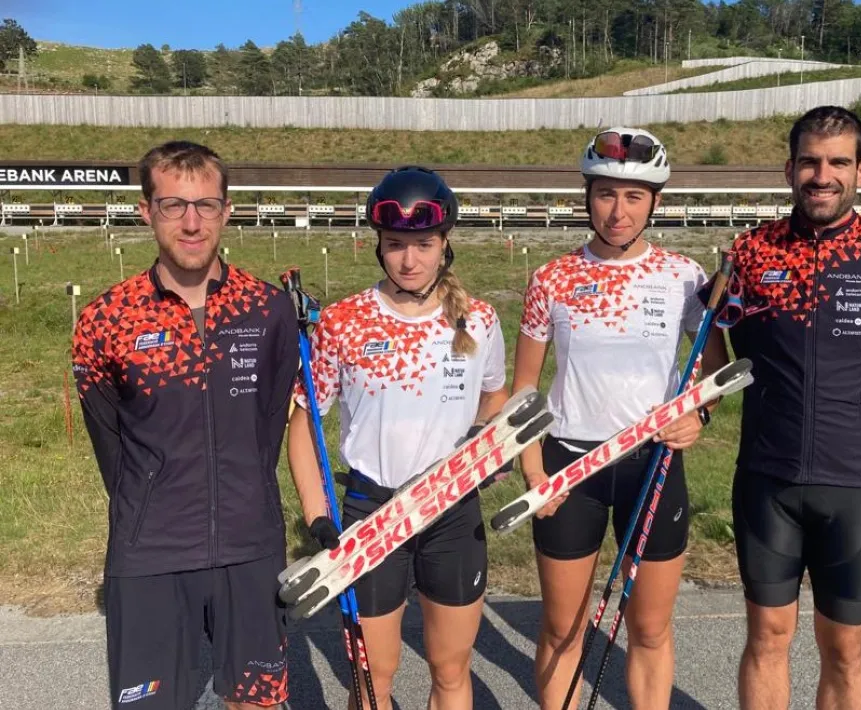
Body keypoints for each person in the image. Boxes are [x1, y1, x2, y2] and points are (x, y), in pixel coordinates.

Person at [720, 105, 861, 710]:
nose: (823, 175)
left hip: (854, 487)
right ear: (789, 169)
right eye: (810, 162)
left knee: (844, 650)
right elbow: (718, 349)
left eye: (838, 162)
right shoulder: (749, 253)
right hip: (767, 481)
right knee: (767, 638)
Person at [71, 141, 299, 710]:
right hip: (150, 551)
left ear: (226, 210)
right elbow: (111, 445)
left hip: (250, 547)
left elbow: (269, 426)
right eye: (173, 205)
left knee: (257, 703)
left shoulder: (268, 309)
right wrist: (154, 503)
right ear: (146, 210)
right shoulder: (106, 321)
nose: (191, 223)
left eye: (206, 205)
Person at [514, 127, 729, 710]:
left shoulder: (684, 276)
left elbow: (714, 377)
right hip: (569, 466)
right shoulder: (551, 279)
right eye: (606, 194)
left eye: (634, 196)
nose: (618, 211)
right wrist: (534, 472)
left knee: (650, 630)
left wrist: (699, 419)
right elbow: (525, 390)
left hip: (653, 462)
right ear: (587, 196)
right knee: (564, 629)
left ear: (655, 201)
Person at [287, 166, 509, 710]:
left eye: (424, 244)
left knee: (451, 669)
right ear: (378, 246)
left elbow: (496, 398)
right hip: (373, 510)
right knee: (373, 677)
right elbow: (302, 426)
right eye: (395, 245)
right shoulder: (343, 321)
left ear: (444, 243)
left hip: (451, 511)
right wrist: (318, 515)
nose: (409, 260)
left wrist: (486, 443)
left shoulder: (478, 320)